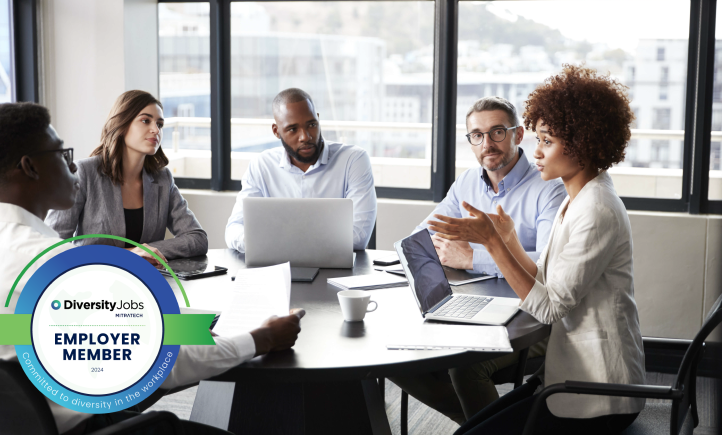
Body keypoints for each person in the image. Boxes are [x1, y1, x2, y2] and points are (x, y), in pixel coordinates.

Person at [0, 102, 305, 434]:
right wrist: (261, 338)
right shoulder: (53, 268)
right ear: (30, 167)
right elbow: (166, 363)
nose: (72, 167)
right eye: (62, 155)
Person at [429, 65, 645, 435]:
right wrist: (509, 239)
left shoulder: (596, 210)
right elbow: (546, 278)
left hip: (598, 390)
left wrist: (495, 245)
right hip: (568, 374)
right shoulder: (577, 197)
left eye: (547, 140)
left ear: (583, 143)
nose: (537, 151)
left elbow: (548, 307)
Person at [391, 97, 565, 424]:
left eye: (497, 132)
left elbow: (545, 264)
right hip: (478, 304)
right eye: (477, 135)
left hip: (536, 319)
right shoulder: (468, 182)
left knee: (466, 364)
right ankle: (485, 426)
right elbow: (423, 235)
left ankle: (486, 426)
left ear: (518, 134)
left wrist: (473, 257)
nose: (487, 143)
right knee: (395, 355)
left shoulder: (549, 188)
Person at [46, 90, 207, 266]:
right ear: (122, 124)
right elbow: (52, 246)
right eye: (145, 121)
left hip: (146, 282)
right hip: (93, 282)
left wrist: (145, 251)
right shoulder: (84, 172)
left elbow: (197, 238)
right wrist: (127, 254)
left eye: (159, 124)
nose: (156, 130)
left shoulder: (162, 178)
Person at [224, 88, 377, 252]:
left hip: (336, 272)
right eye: (292, 129)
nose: (305, 137)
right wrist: (254, 241)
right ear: (276, 131)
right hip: (277, 269)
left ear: (318, 120)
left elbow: (358, 236)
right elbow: (234, 229)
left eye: (311, 125)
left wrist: (271, 242)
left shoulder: (353, 160)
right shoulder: (261, 165)